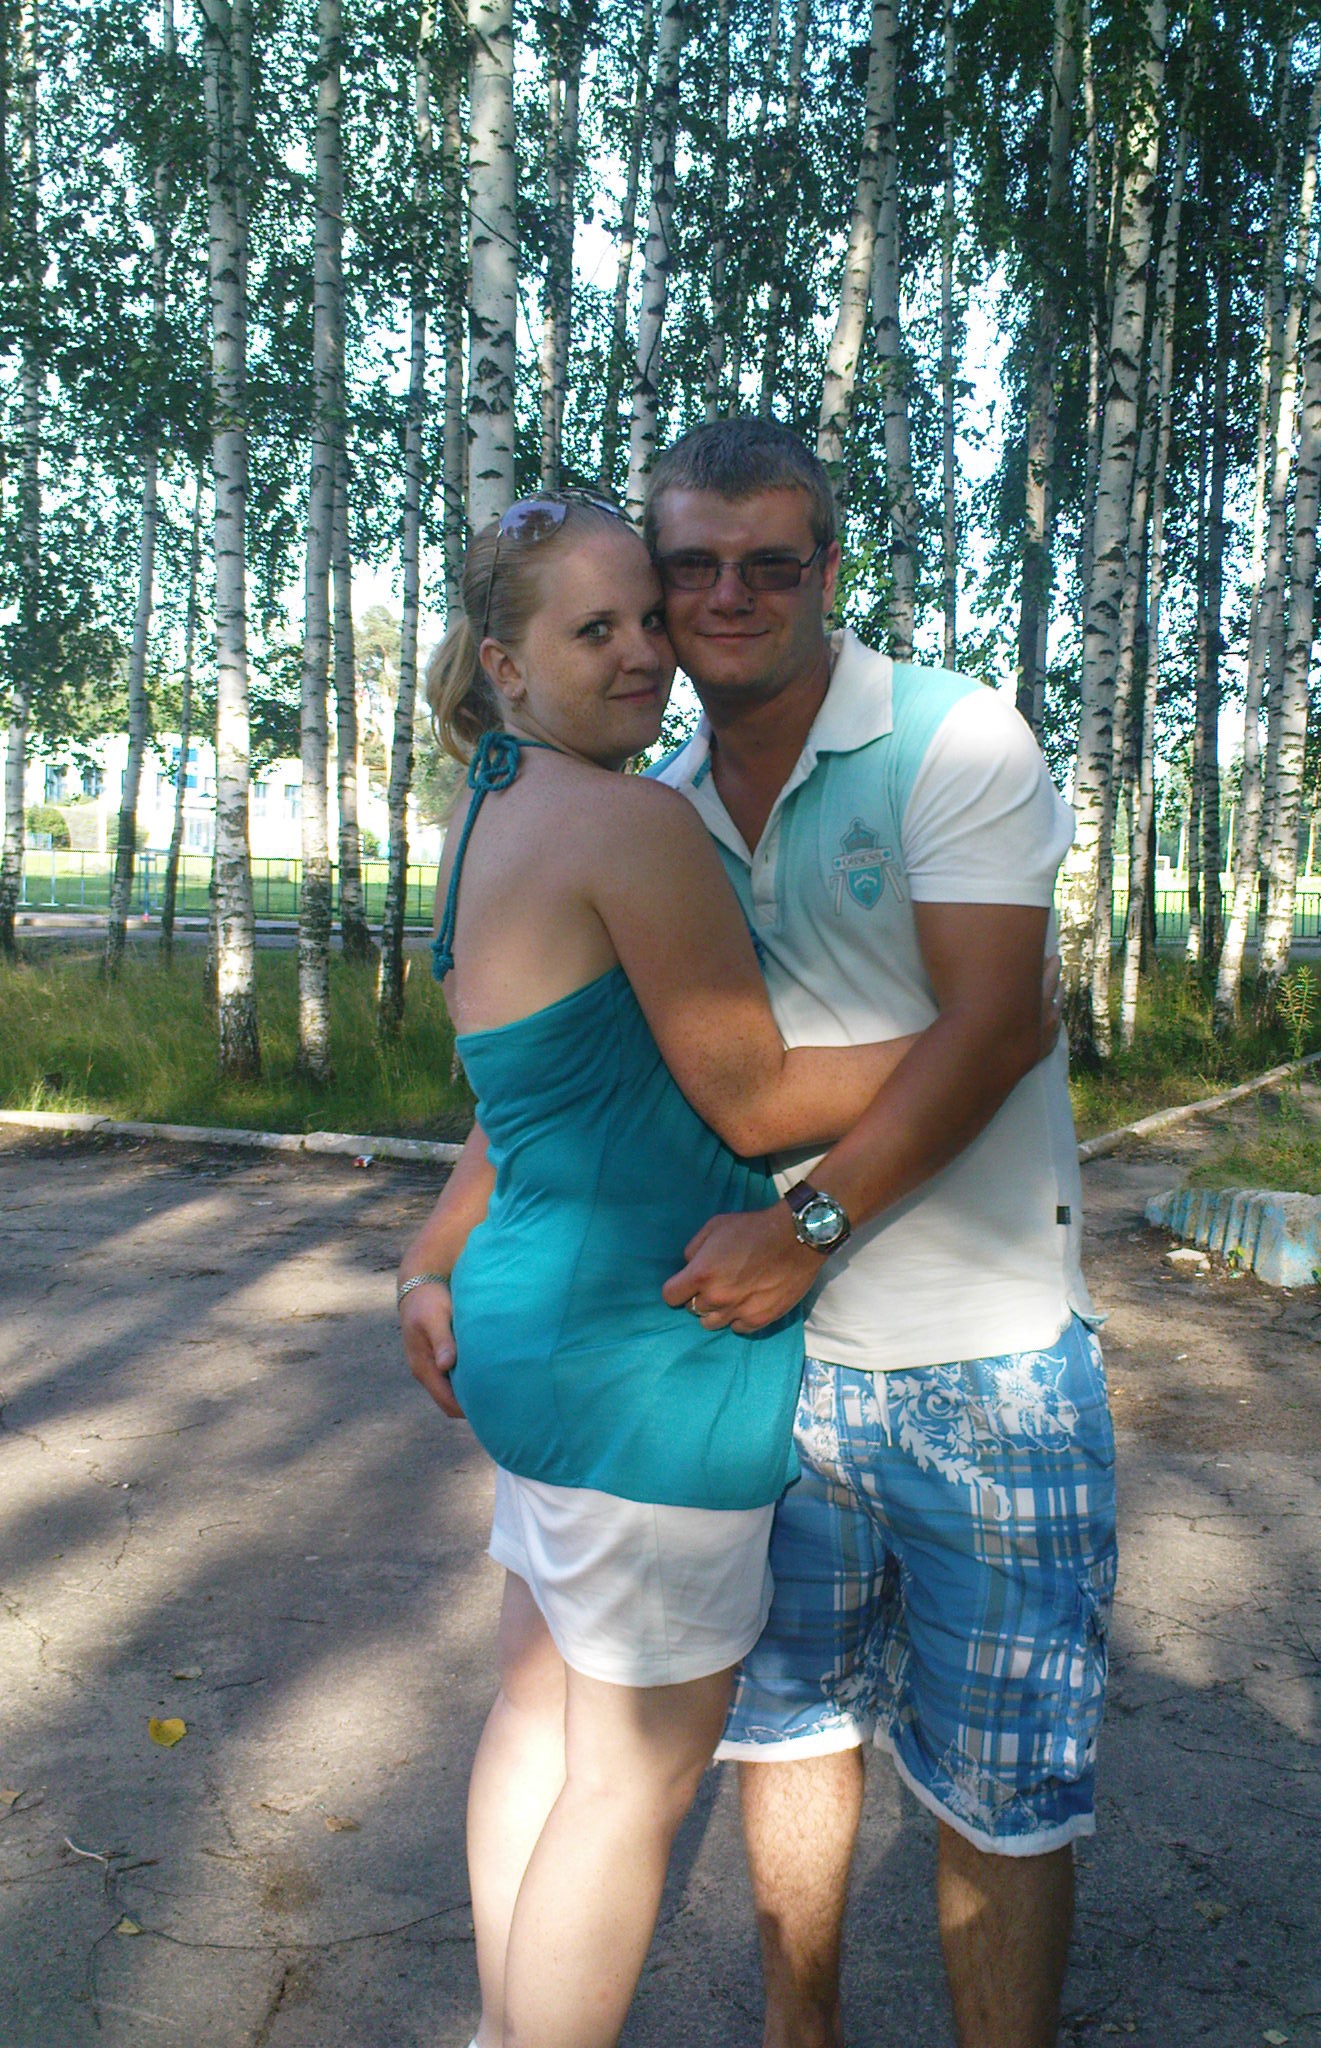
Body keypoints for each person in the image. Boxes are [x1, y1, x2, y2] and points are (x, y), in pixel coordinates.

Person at [395, 490, 918, 2048]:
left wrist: (427, 1257)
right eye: (595, 630)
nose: (645, 654)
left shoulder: (491, 809)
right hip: (646, 1359)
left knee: (541, 1713)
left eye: (648, 618)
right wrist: (978, 1036)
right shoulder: (630, 824)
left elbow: (522, 1098)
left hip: (534, 1336)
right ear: (505, 663)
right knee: (630, 1785)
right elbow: (755, 1100)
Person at [645, 419, 1116, 2048]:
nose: (730, 595)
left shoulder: (952, 737)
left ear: (829, 569)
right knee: (783, 1734)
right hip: (769, 1378)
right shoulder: (664, 805)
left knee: (1008, 1785)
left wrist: (806, 1227)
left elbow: (992, 1032)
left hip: (987, 1361)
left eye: (770, 563)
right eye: (693, 565)